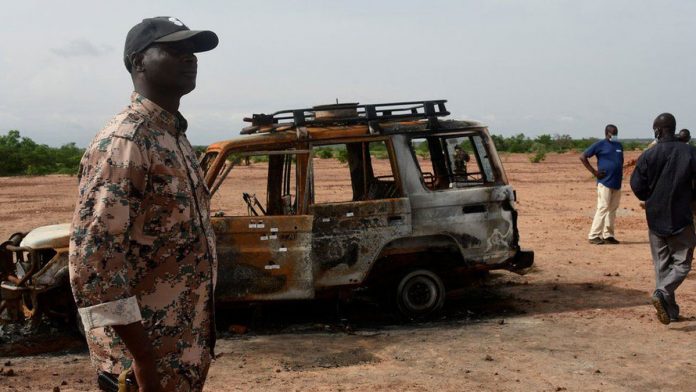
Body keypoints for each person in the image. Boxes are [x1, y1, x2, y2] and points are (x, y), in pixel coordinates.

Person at [69, 17, 219, 392]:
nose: (190, 59)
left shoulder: (172, 136)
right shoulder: (126, 141)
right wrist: (143, 359)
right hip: (141, 366)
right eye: (174, 50)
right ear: (138, 62)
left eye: (192, 52)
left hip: (178, 352)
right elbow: (93, 264)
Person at [631, 113, 696, 325]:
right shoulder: (690, 152)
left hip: (655, 218)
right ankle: (663, 293)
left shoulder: (649, 155)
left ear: (658, 131)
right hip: (681, 217)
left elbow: (637, 185)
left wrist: (651, 198)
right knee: (682, 264)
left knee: (662, 266)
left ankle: (670, 310)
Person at [580, 124, 624, 244]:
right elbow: (583, 157)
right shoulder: (600, 145)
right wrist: (594, 172)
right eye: (613, 134)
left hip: (617, 182)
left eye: (616, 133)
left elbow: (620, 161)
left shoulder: (619, 145)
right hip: (605, 182)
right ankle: (594, 235)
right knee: (603, 207)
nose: (615, 136)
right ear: (607, 133)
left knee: (613, 209)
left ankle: (608, 234)